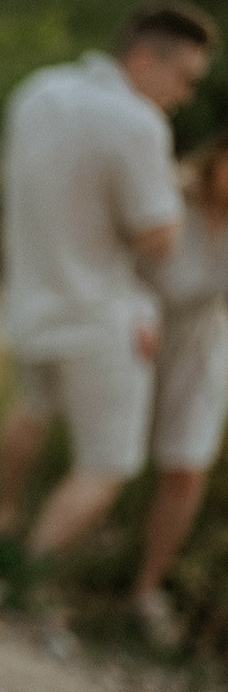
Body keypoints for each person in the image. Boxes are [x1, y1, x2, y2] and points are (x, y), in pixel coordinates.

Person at [0, 0, 218, 574]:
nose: (185, 95)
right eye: (184, 78)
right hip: (99, 317)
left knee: (30, 413)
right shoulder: (139, 123)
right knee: (108, 464)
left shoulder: (37, 91)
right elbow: (160, 240)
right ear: (145, 58)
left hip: (29, 298)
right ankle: (29, 572)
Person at [132, 130, 228, 647]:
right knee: (117, 456)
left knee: (187, 467)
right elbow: (118, 255)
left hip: (205, 345)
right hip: (143, 329)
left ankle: (147, 587)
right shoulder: (168, 190)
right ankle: (44, 559)